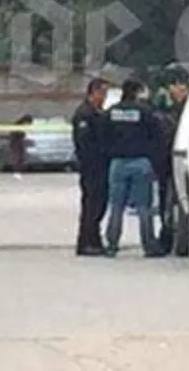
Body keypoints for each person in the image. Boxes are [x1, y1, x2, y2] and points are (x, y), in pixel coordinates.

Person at [102, 79, 165, 258]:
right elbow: (157, 134)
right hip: (141, 162)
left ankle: (112, 245)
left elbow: (103, 135)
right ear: (137, 92)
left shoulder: (112, 112)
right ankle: (149, 245)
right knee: (144, 207)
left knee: (116, 207)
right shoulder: (144, 111)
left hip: (118, 162)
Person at [154, 69, 189, 252]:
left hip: (180, 163)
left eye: (179, 87)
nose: (174, 91)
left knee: (178, 201)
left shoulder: (188, 111)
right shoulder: (169, 111)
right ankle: (168, 235)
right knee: (167, 202)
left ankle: (174, 237)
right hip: (167, 165)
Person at [71, 79, 109, 256]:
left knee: (99, 204)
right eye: (102, 93)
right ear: (93, 93)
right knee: (91, 205)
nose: (104, 97)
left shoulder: (97, 112)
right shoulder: (84, 114)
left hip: (100, 166)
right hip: (91, 167)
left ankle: (94, 240)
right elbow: (84, 143)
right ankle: (86, 242)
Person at [7, 114, 33, 179]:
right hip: (16, 143)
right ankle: (16, 172)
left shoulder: (23, 126)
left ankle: (19, 172)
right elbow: (13, 134)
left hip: (20, 142)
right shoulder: (17, 125)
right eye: (28, 123)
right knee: (17, 157)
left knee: (22, 157)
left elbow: (22, 135)